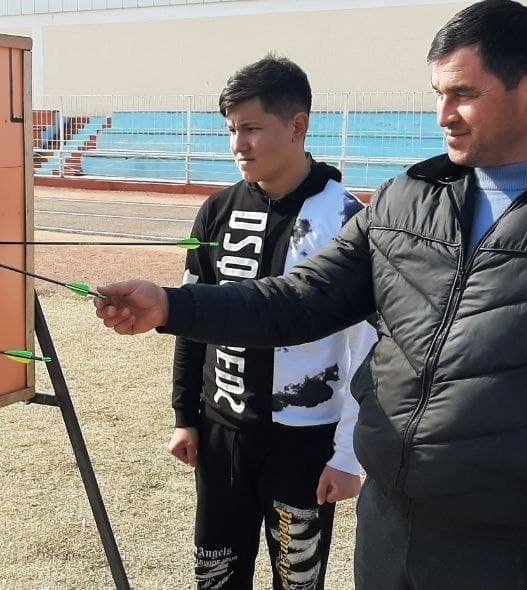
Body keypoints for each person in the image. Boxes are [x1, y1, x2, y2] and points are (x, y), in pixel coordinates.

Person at [94, 2, 527, 589]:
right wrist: (172, 306)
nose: (444, 114)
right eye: (437, 94)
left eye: (464, 93)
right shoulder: (404, 201)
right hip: (386, 526)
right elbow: (300, 300)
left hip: (509, 547)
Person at [170, 54, 375, 590]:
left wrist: (347, 454)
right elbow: (194, 318)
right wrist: (185, 416)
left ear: (297, 125)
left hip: (303, 441)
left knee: (297, 582)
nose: (238, 144)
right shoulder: (216, 211)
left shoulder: (346, 219)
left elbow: (368, 348)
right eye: (231, 130)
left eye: (253, 128)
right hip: (221, 432)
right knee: (215, 577)